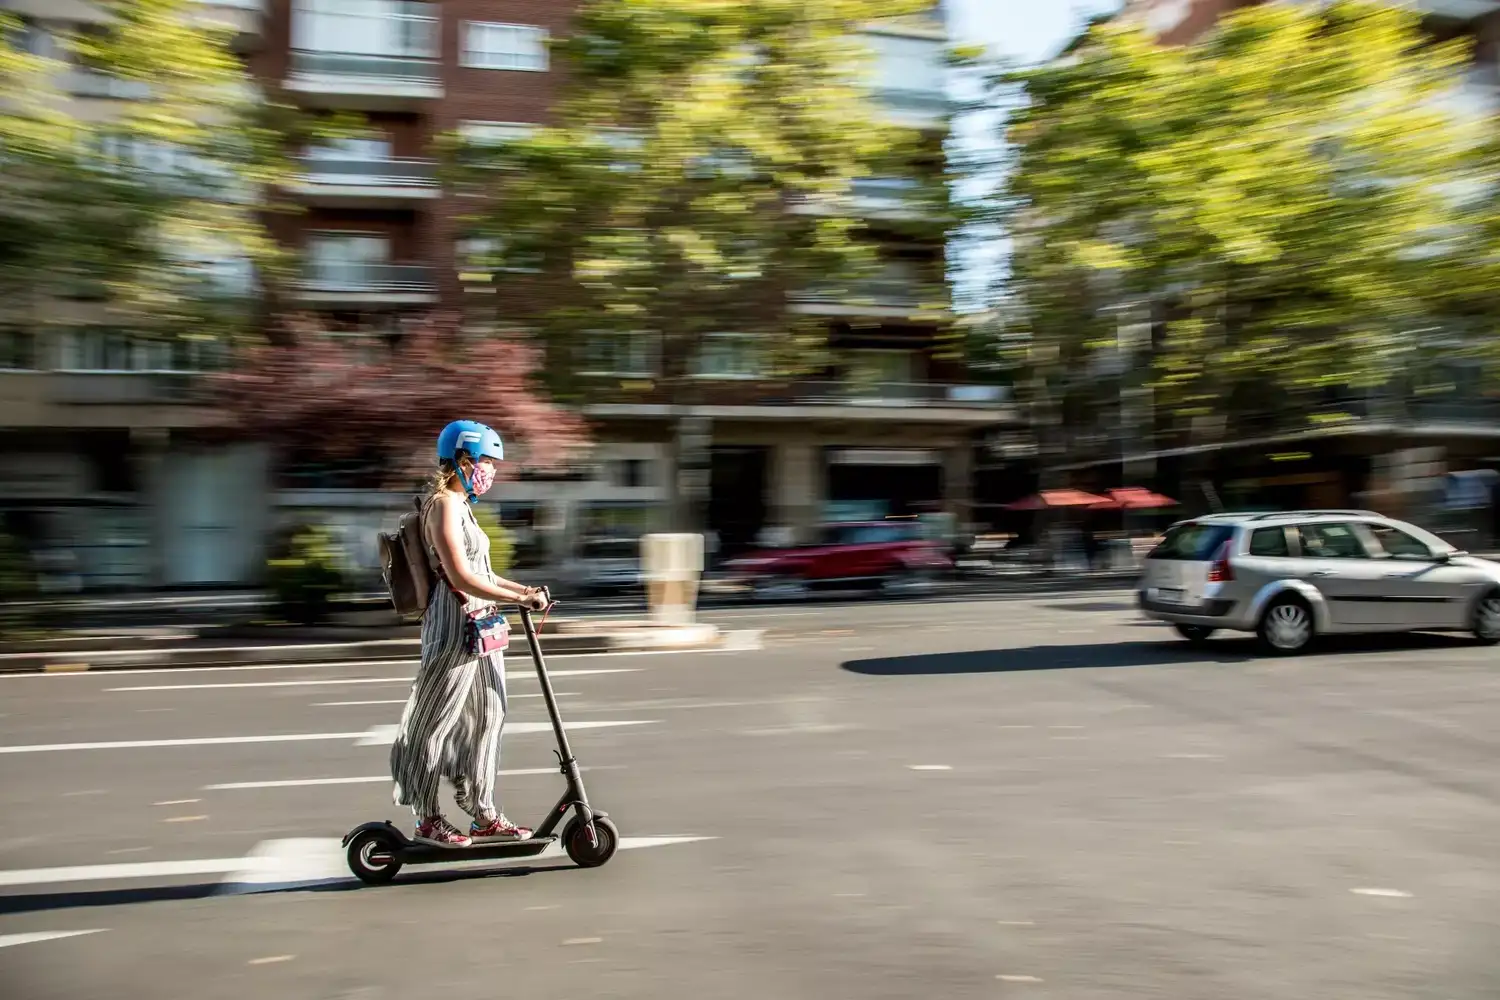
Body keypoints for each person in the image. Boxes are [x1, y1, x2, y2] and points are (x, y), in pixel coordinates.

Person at [389, 419, 549, 847]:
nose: (491, 471)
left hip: (481, 621)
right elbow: (460, 577)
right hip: (453, 620)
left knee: (487, 718)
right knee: (433, 722)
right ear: (462, 459)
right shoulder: (442, 504)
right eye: (485, 462)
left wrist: (524, 590)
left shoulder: (463, 505)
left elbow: (484, 571)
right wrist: (520, 601)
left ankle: (483, 813)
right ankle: (427, 818)